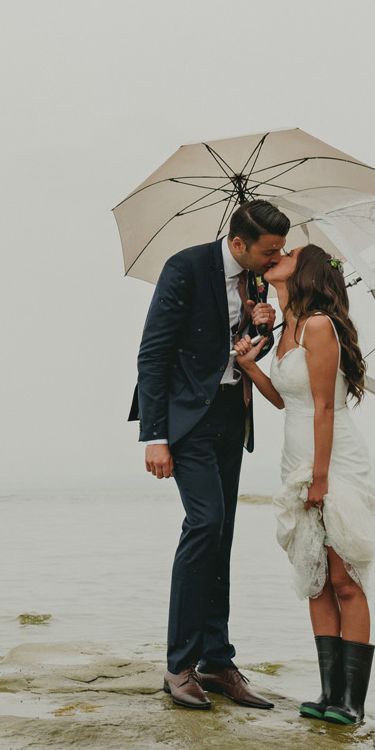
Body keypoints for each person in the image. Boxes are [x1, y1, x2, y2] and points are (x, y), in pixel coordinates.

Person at [131, 200, 288, 710]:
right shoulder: (185, 267)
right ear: (238, 243)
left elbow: (244, 349)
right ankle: (179, 666)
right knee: (205, 523)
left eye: (280, 250)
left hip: (230, 413)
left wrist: (262, 326)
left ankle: (217, 662)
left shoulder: (258, 281)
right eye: (269, 250)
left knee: (223, 532)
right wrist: (154, 436)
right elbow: (153, 352)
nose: (276, 258)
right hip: (185, 419)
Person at [234, 243, 375, 726]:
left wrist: (319, 478)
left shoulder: (320, 325)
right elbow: (286, 401)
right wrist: (252, 364)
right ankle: (327, 693)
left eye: (289, 251)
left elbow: (323, 407)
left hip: (333, 461)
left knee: (343, 579)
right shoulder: (286, 326)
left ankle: (351, 703)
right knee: (315, 578)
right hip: (296, 458)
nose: (279, 252)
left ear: (309, 269)